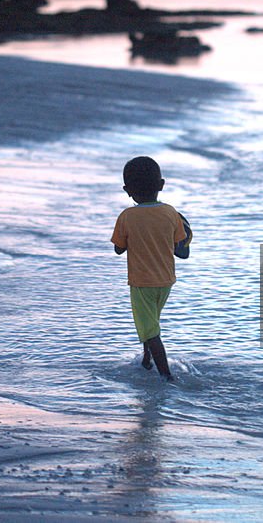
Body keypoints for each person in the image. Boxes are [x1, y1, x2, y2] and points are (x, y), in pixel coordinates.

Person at [111, 156, 190, 380]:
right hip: (166, 281)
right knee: (150, 322)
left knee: (150, 330)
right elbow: (180, 248)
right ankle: (147, 361)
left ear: (127, 190)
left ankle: (166, 376)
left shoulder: (127, 216)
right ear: (161, 185)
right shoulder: (170, 213)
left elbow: (119, 249)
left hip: (142, 283)